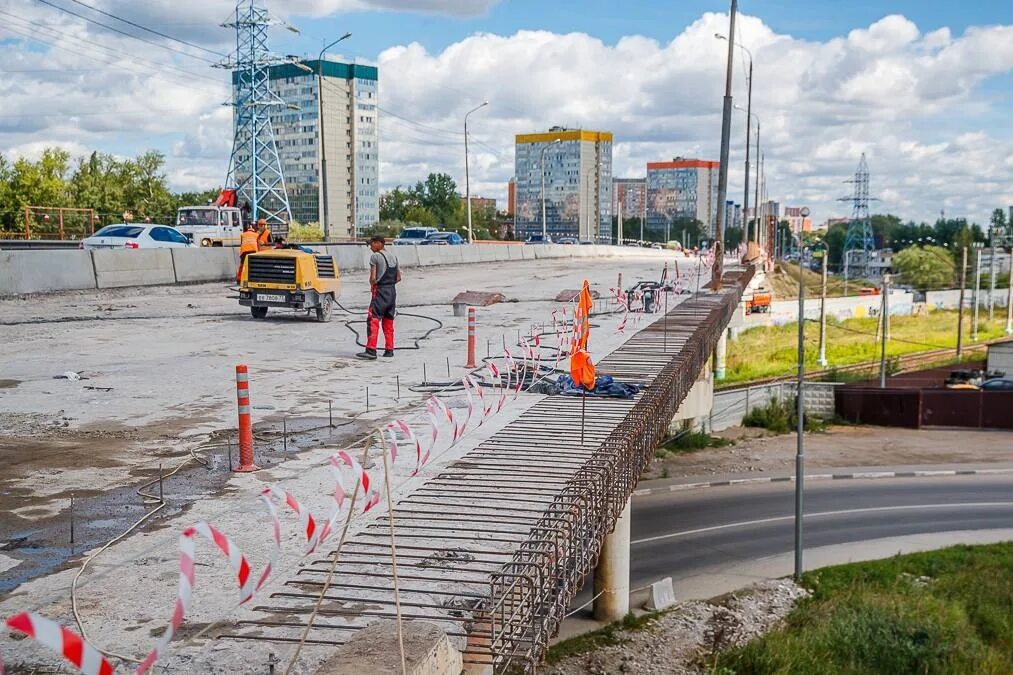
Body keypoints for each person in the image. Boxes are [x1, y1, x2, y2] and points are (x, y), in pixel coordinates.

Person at [356, 235, 400, 360]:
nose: (370, 247)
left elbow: (373, 278)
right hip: (392, 292)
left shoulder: (375, 257)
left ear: (378, 243)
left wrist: (373, 286)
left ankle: (371, 350)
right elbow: (398, 278)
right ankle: (389, 350)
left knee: (373, 320)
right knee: (388, 320)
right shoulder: (393, 257)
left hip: (380, 292)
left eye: (371, 244)